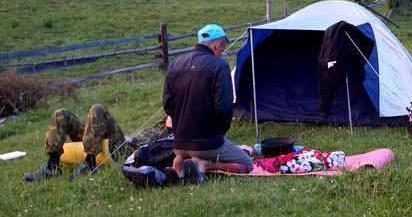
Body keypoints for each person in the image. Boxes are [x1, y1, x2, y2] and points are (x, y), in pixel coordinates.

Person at [163, 23, 253, 182]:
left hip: (179, 143)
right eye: (223, 49)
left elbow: (167, 105)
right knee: (246, 163)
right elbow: (223, 107)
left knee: (185, 152)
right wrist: (221, 132)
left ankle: (179, 164)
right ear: (218, 45)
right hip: (207, 143)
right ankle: (204, 165)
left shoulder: (175, 65)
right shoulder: (219, 66)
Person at [23, 105, 171, 182]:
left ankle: (90, 163)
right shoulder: (157, 126)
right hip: (117, 140)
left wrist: (172, 127)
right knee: (61, 114)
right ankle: (52, 167)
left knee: (98, 109)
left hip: (126, 151)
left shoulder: (172, 135)